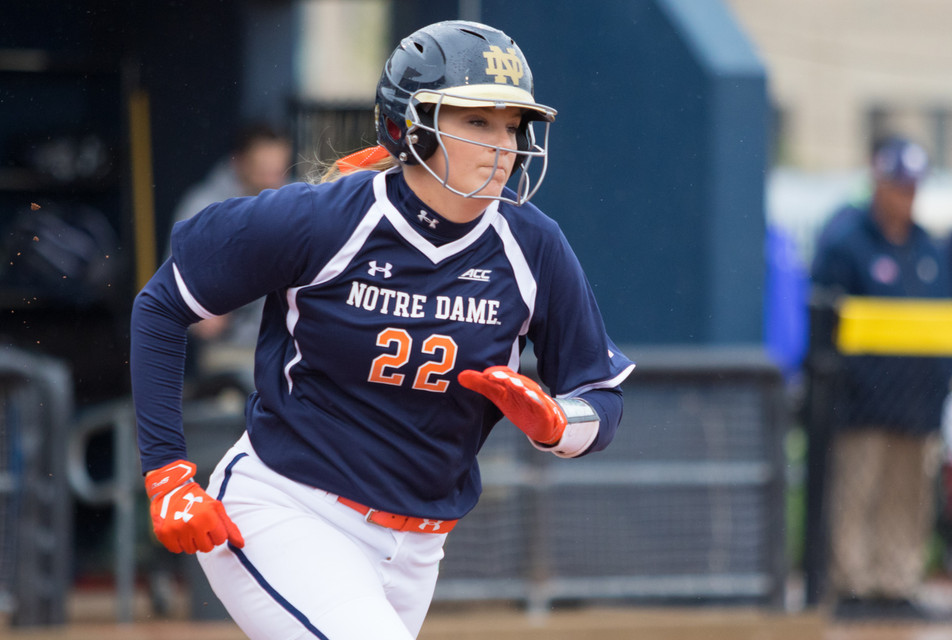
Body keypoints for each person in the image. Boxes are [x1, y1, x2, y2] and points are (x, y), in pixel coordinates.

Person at [130, 20, 634, 639]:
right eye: (478, 120)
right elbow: (162, 304)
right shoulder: (322, 219)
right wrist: (166, 473)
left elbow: (600, 396)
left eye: (513, 125)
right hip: (288, 509)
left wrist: (560, 424)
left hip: (420, 548)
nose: (503, 144)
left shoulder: (533, 245)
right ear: (408, 126)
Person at [810, 135, 951, 621]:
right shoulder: (847, 244)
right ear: (878, 182)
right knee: (855, 492)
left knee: (908, 496)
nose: (906, 196)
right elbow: (824, 320)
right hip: (860, 403)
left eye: (913, 187)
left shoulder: (930, 249)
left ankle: (897, 583)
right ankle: (850, 584)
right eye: (898, 185)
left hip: (918, 402)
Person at [168, 123, 293, 376]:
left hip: (292, 347)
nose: (272, 181)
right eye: (263, 171)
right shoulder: (205, 207)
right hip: (231, 352)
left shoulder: (299, 201)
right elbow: (174, 283)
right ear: (240, 163)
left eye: (278, 172)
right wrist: (201, 310)